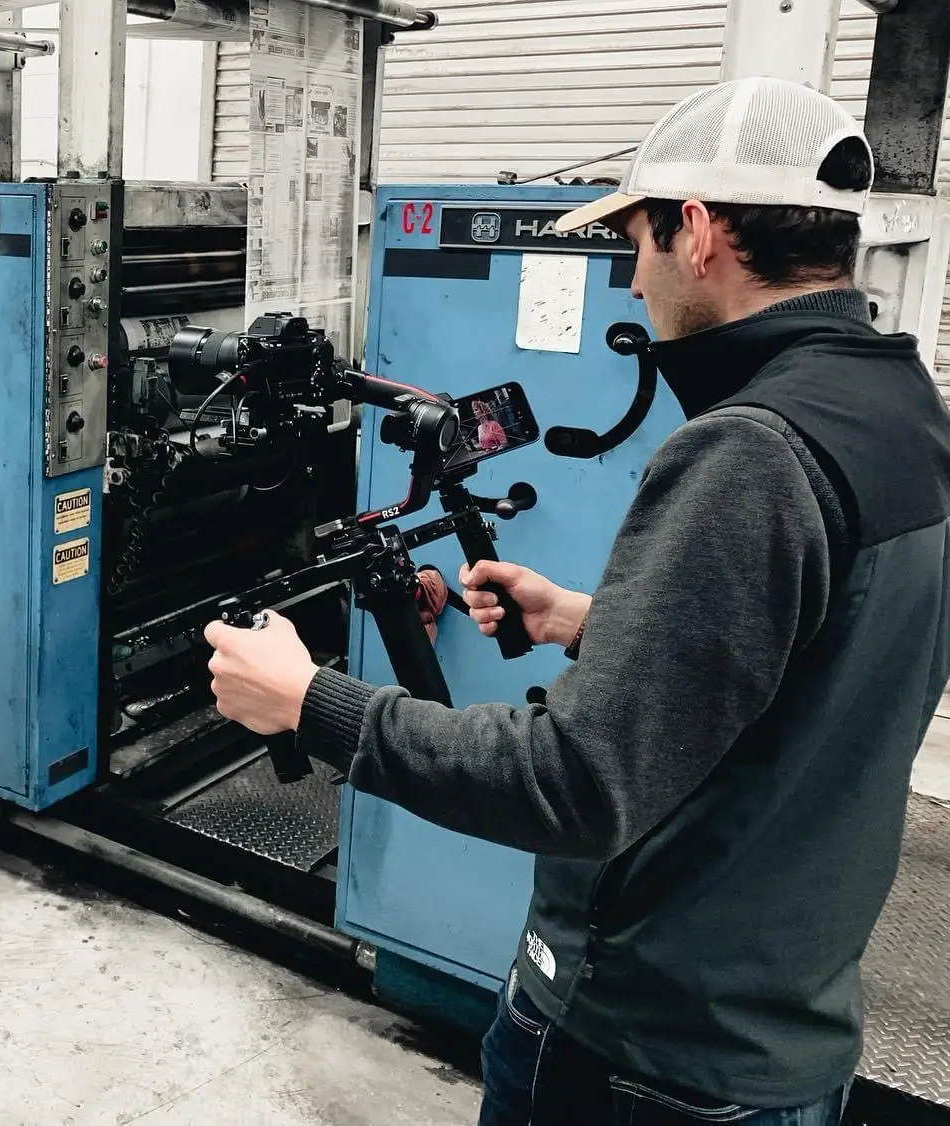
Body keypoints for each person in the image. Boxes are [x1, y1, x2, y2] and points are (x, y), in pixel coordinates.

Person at [202, 76, 950, 1125]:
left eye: (636, 244)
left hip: (645, 1053)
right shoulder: (903, 409)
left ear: (697, 234)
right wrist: (597, 619)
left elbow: (577, 782)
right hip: (777, 1038)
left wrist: (307, 701)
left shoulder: (747, 449)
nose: (634, 283)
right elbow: (833, 652)